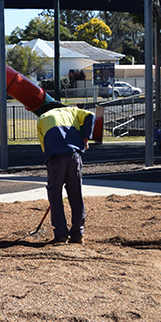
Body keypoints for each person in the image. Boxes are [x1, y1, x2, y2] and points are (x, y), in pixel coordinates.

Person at [35, 101, 95, 245]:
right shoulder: (72, 111)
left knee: (55, 195)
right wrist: (85, 139)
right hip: (74, 155)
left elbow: (45, 148)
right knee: (75, 194)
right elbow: (91, 115)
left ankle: (61, 233)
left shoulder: (42, 118)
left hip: (55, 158)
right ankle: (78, 233)